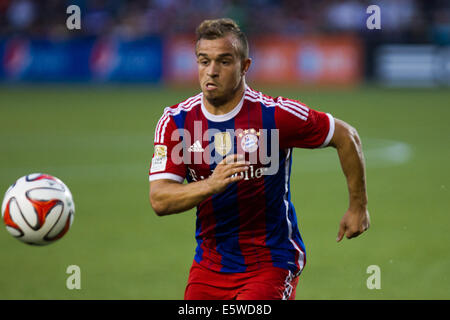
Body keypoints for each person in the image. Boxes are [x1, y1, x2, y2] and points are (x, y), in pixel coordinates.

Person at [149, 18, 370, 300]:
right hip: (209, 265)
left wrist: (358, 207)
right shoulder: (176, 121)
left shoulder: (275, 115)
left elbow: (345, 136)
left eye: (224, 62)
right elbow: (160, 199)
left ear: (244, 67)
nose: (212, 71)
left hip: (271, 262)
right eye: (204, 61)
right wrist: (211, 184)